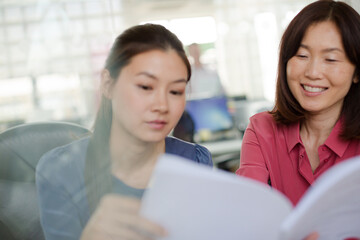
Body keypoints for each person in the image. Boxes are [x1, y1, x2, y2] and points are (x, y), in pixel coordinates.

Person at [36, 23, 212, 240]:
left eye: (175, 91)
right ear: (108, 85)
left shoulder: (194, 161)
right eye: (146, 87)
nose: (162, 105)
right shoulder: (61, 170)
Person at [237, 0, 360, 238]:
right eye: (302, 55)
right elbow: (247, 220)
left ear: (357, 73)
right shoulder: (261, 130)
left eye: (331, 59)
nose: (312, 72)